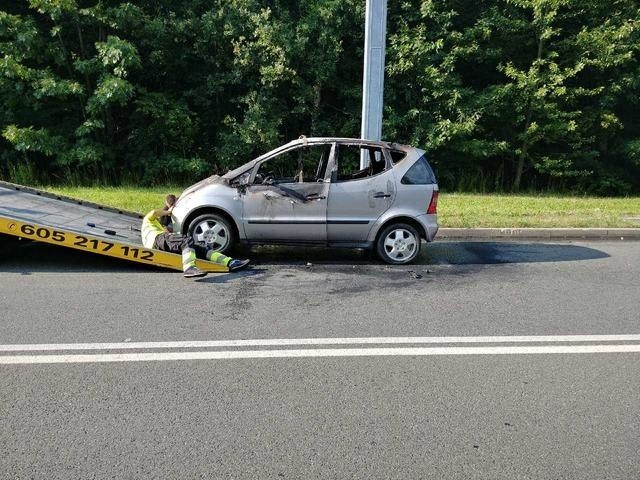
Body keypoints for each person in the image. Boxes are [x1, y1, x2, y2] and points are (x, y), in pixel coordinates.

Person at [141, 194, 250, 278]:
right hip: (157, 241)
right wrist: (168, 212)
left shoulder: (157, 228)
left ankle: (230, 262)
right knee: (186, 240)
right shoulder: (148, 221)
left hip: (159, 244)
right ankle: (189, 268)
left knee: (200, 247)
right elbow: (154, 212)